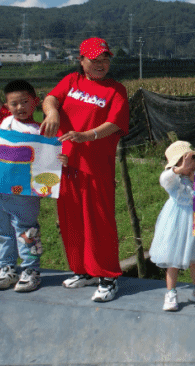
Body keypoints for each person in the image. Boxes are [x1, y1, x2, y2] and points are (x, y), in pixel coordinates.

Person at [40, 37, 129, 302]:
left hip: (95, 167)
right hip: (64, 164)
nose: (100, 64)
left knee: (99, 221)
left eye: (105, 59)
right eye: (94, 60)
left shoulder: (116, 90)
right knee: (71, 220)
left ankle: (108, 276)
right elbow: (50, 99)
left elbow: (115, 123)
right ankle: (83, 270)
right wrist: (52, 112)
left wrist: (87, 135)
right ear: (81, 60)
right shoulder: (71, 81)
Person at [0, 77, 54, 293]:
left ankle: (31, 270)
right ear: (7, 105)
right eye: (14, 103)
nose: (20, 107)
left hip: (25, 195)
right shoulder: (4, 120)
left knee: (27, 231)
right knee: (0, 228)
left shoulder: (42, 131)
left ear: (35, 102)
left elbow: (49, 159)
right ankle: (7, 267)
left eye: (24, 102)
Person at [149, 140, 195, 312]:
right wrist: (179, 170)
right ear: (178, 163)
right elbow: (164, 179)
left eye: (193, 160)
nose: (192, 164)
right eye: (187, 160)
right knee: (172, 260)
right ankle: (171, 293)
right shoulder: (173, 180)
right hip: (176, 223)